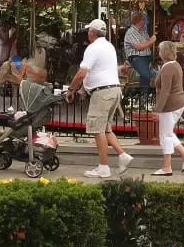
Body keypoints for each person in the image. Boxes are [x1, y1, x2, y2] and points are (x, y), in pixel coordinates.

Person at [66, 19, 133, 178]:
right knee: (105, 128)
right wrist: (84, 88)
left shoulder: (93, 48)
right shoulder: (108, 46)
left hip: (102, 93)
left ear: (92, 32)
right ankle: (122, 155)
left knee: (97, 129)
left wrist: (71, 89)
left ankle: (103, 167)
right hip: (113, 90)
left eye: (89, 30)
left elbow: (82, 72)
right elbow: (101, 71)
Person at [152, 41, 184, 176]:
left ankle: (167, 167)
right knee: (168, 132)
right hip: (177, 103)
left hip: (170, 105)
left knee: (165, 135)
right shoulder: (175, 65)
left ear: (164, 52)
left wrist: (157, 110)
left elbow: (165, 90)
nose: (158, 52)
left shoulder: (167, 68)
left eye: (159, 50)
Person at [124, 13, 156, 93]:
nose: (144, 21)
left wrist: (149, 42)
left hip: (146, 57)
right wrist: (151, 41)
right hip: (136, 57)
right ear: (138, 21)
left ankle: (145, 94)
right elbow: (138, 46)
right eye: (143, 20)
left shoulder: (143, 32)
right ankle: (144, 95)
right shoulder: (131, 32)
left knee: (153, 72)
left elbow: (147, 44)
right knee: (146, 74)